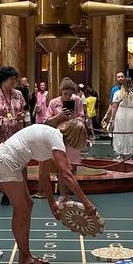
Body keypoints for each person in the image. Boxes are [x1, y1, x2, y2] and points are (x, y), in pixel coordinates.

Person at [0, 120, 96, 264]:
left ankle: (26, 255)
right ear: (75, 139)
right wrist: (86, 203)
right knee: (21, 210)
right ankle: (24, 258)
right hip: (7, 160)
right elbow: (66, 175)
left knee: (28, 205)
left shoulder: (52, 137)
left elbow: (44, 175)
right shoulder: (57, 141)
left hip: (12, 161)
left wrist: (52, 204)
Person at [45, 76, 95, 206]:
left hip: (73, 138)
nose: (67, 96)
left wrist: (75, 122)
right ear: (60, 92)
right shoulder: (53, 103)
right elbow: (47, 121)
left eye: (70, 94)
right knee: (62, 169)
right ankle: (63, 195)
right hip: (58, 138)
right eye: (65, 94)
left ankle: (72, 193)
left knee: (71, 168)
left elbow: (81, 116)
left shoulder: (77, 100)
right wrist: (59, 116)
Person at [0, 66, 27, 205]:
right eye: (11, 79)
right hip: (1, 135)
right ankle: (6, 194)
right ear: (3, 80)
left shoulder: (18, 94)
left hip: (17, 133)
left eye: (15, 79)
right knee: (3, 165)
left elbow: (23, 111)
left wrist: (21, 116)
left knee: (22, 162)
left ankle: (24, 191)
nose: (14, 82)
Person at [103, 76, 133, 160]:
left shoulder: (118, 93)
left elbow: (114, 107)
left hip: (121, 114)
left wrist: (112, 119)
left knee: (120, 133)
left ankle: (121, 153)